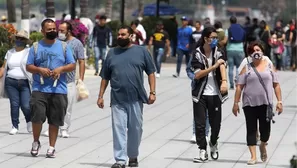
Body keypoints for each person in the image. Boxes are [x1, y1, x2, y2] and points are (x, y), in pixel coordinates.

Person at [97, 25, 156, 168]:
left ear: (131, 36)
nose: (120, 37)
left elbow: (151, 73)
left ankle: (133, 156)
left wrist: (152, 92)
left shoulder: (142, 51)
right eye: (119, 34)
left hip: (136, 98)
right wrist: (100, 96)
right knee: (119, 129)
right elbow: (105, 77)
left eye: (123, 35)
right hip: (117, 98)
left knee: (136, 128)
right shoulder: (111, 53)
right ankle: (120, 160)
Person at [26, 19, 76, 158]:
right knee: (37, 117)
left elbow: (72, 64)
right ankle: (36, 142)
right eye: (49, 29)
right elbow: (28, 66)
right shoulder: (35, 47)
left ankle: (51, 147)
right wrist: (39, 70)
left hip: (58, 90)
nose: (53, 31)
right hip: (39, 89)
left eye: (54, 28)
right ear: (42, 31)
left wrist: (61, 69)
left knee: (55, 120)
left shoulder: (64, 46)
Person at [232, 41, 283, 165]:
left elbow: (276, 85)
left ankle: (263, 145)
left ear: (262, 52)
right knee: (251, 129)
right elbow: (239, 86)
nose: (256, 52)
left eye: (258, 50)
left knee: (265, 131)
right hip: (249, 103)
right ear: (250, 54)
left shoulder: (269, 66)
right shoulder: (246, 67)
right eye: (253, 51)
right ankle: (253, 156)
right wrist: (236, 103)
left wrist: (279, 101)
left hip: (266, 104)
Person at [41, 21, 85, 138]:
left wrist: (81, 78)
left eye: (62, 31)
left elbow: (81, 61)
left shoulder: (76, 43)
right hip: (53, 80)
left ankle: (64, 128)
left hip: (69, 80)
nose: (58, 32)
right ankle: (51, 126)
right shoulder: (55, 42)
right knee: (52, 105)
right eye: (58, 30)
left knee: (67, 106)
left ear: (68, 31)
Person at [191, 26, 228, 163]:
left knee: (216, 124)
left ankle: (213, 143)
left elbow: (222, 65)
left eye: (216, 38)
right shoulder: (197, 53)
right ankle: (202, 150)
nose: (214, 40)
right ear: (206, 38)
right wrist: (213, 66)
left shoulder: (219, 51)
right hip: (200, 93)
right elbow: (198, 74)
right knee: (200, 124)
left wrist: (224, 81)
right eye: (212, 38)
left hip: (215, 93)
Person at [0, 30, 32, 135]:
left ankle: (29, 120)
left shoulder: (29, 52)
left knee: (26, 105)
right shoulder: (10, 52)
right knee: (14, 104)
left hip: (24, 82)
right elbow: (4, 67)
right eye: (18, 38)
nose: (19, 40)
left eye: (22, 39)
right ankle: (15, 125)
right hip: (11, 82)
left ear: (25, 41)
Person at [186, 56, 210, 143]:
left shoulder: (215, 54)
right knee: (198, 112)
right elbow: (189, 70)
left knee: (208, 113)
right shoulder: (196, 55)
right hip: (198, 87)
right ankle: (195, 133)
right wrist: (194, 77)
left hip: (211, 88)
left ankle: (206, 134)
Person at [223, 16, 246, 89]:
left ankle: (231, 84)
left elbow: (225, 40)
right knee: (238, 67)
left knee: (231, 67)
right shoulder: (241, 29)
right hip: (240, 49)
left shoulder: (228, 29)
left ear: (230, 21)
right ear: (236, 21)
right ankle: (237, 82)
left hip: (230, 50)